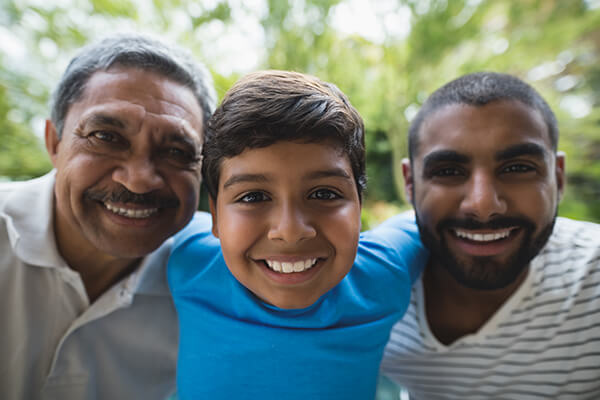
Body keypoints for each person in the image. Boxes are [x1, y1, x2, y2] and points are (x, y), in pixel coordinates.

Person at [167, 70, 427, 399]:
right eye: (253, 197)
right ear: (215, 215)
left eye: (323, 194)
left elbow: (428, 220)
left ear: (359, 206)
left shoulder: (382, 272)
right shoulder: (188, 256)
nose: (290, 232)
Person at [0, 34, 216, 399]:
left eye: (176, 151)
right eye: (106, 136)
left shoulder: (221, 271)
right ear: (54, 142)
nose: (140, 179)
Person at [380, 72, 600, 399]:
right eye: (448, 172)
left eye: (517, 168)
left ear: (558, 176)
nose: (483, 205)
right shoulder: (366, 291)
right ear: (410, 182)